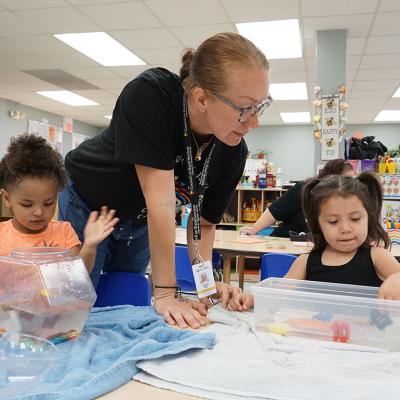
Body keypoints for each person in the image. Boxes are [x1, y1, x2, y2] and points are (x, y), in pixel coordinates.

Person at [58, 32, 272, 328]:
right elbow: (161, 204)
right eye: (245, 109)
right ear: (201, 98)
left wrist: (208, 289)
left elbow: (203, 225)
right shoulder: (151, 95)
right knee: (76, 303)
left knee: (124, 304)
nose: (255, 122)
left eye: (260, 106)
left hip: (139, 218)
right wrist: (166, 293)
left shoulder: (233, 151)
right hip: (91, 204)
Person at [230, 170, 400, 311]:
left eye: (355, 219)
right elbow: (279, 291)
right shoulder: (307, 261)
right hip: (319, 339)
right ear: (317, 224)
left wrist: (396, 280)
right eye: (333, 221)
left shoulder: (378, 257)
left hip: (365, 342)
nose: (345, 228)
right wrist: (253, 297)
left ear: (368, 218)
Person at [0, 133, 118, 272]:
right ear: (7, 198)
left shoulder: (64, 232)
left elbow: (79, 275)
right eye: (27, 204)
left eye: (49, 203)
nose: (39, 212)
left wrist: (90, 245)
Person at [240, 158, 354, 237]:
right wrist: (255, 229)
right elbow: (275, 211)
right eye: (346, 180)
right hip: (286, 243)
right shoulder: (303, 189)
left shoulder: (343, 200)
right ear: (331, 177)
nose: (349, 185)